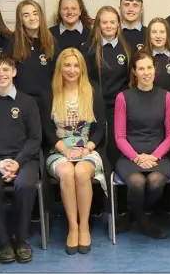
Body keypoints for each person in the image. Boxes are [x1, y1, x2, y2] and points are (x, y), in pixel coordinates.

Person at [0, 53, 42, 263]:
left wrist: (18, 162)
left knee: (25, 186)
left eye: (6, 70)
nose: (1, 74)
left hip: (25, 159)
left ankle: (21, 240)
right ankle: (3, 243)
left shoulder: (27, 101)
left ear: (14, 72)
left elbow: (35, 138)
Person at [44, 48, 106, 255]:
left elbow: (99, 129)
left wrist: (86, 149)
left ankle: (85, 225)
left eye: (76, 65)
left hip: (87, 148)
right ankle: (72, 227)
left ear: (82, 68)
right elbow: (45, 129)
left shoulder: (93, 91)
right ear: (60, 68)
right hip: (58, 149)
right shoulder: (49, 93)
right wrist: (64, 150)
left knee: (80, 172)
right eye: (67, 65)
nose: (72, 70)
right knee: (67, 172)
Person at [114, 51, 170, 239]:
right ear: (134, 72)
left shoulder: (166, 96)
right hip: (130, 155)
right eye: (141, 68)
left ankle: (134, 216)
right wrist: (137, 157)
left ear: (155, 71)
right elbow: (120, 137)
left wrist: (154, 156)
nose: (146, 72)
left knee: (156, 182)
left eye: (149, 67)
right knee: (137, 183)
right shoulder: (123, 97)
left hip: (159, 154)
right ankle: (144, 222)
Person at [5, 0, 59, 147]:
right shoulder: (12, 43)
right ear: (20, 19)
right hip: (23, 102)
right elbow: (8, 76)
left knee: (48, 141)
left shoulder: (51, 41)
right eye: (26, 15)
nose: (32, 18)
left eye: (35, 13)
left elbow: (57, 74)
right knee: (27, 142)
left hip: (48, 101)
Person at [85, 6, 132, 163]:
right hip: (95, 105)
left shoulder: (127, 48)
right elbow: (86, 80)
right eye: (104, 22)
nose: (109, 25)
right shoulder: (89, 49)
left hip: (118, 106)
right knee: (97, 145)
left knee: (114, 145)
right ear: (98, 25)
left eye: (112, 22)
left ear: (118, 24)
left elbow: (130, 79)